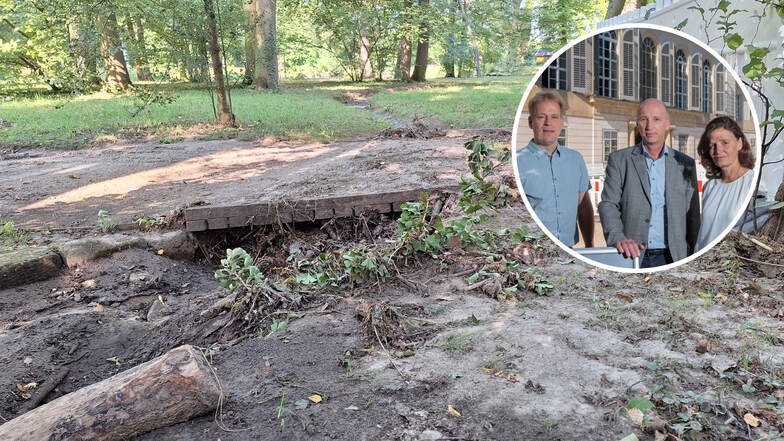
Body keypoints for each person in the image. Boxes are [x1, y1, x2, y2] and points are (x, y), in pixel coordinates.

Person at [598, 98, 700, 268]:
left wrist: (695, 254)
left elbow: (693, 214)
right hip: (632, 256)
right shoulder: (620, 160)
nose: (649, 126)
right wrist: (617, 237)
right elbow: (608, 204)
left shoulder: (685, 163)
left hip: (675, 256)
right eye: (643, 119)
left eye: (656, 119)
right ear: (637, 124)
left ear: (667, 124)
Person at [516, 91, 594, 248]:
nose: (548, 123)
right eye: (541, 116)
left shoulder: (575, 159)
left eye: (554, 117)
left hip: (569, 249)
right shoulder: (517, 163)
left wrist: (589, 246)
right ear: (531, 122)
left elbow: (583, 206)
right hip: (532, 252)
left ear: (562, 122)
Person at [695, 116, 755, 251]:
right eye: (712, 145)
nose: (718, 150)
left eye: (725, 143)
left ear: (740, 143)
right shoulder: (710, 187)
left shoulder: (753, 184)